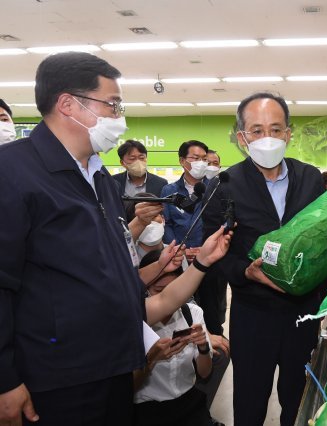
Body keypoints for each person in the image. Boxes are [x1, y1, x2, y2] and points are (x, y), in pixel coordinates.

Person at [0, 51, 232, 426]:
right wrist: (5, 380)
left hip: (113, 367)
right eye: (112, 104)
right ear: (68, 104)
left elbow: (111, 267)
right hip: (56, 378)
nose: (118, 116)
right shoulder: (13, 173)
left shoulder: (99, 179)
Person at [202, 92, 327, 426]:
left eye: (275, 129)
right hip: (252, 315)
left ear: (288, 133)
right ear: (242, 137)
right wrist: (245, 272)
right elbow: (214, 252)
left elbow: (326, 241)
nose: (267, 138)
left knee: (298, 401)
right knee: (249, 401)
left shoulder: (310, 178)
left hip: (302, 314)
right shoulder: (225, 185)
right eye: (256, 131)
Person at [133, 250, 214, 426]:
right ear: (145, 288)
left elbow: (205, 373)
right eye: (159, 291)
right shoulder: (135, 322)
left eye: (176, 289)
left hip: (189, 403)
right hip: (148, 410)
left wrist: (203, 348)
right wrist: (152, 358)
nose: (170, 297)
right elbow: (126, 389)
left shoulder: (193, 313)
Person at [161, 140, 209, 262]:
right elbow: (167, 223)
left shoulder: (215, 189)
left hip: (209, 257)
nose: (201, 163)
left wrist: (204, 249)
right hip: (178, 258)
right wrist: (179, 249)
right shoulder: (169, 191)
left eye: (204, 159)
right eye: (196, 158)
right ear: (182, 161)